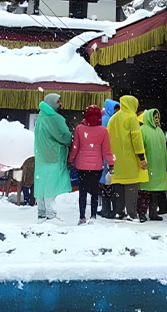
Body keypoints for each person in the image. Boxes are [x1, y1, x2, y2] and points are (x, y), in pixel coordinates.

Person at [69, 105, 113, 224]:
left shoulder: (79, 128)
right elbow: (106, 151)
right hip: (96, 166)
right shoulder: (103, 130)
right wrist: (111, 164)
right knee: (94, 192)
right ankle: (93, 216)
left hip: (81, 166)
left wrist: (70, 159)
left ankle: (82, 216)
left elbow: (75, 147)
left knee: (82, 191)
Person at [107, 95, 148, 221]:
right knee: (131, 187)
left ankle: (119, 211)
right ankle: (131, 214)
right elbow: (136, 139)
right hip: (130, 159)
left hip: (116, 160)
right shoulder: (132, 118)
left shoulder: (113, 119)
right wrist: (141, 157)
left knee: (118, 186)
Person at [33, 93, 72, 221]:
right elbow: (63, 136)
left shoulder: (41, 117)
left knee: (41, 184)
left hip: (41, 157)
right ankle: (50, 214)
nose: (60, 104)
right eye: (57, 102)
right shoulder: (53, 118)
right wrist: (70, 140)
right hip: (54, 156)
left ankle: (41, 212)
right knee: (51, 185)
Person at [140, 109, 167, 221]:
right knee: (144, 192)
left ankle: (153, 213)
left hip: (158, 166)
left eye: (158, 117)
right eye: (154, 117)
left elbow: (164, 149)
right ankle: (142, 212)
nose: (157, 120)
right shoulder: (142, 129)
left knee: (155, 192)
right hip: (148, 165)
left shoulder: (160, 131)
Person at [98, 99, 120, 218]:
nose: (117, 111)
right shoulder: (110, 120)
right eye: (115, 109)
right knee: (110, 183)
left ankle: (106, 210)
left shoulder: (104, 119)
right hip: (110, 154)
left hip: (105, 155)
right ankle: (111, 210)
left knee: (106, 183)